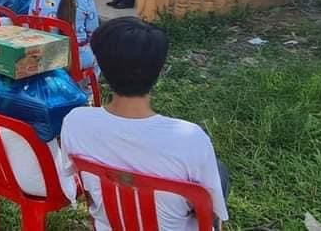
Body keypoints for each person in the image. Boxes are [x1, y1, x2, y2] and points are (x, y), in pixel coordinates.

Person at [60, 18, 229, 229]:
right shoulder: (191, 139)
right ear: (159, 70)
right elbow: (211, 210)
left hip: (109, 225)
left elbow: (74, 178)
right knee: (219, 171)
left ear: (99, 64)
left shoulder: (75, 122)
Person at [29, 0, 99, 75]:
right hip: (78, 58)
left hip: (45, 55)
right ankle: (86, 86)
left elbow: (31, 21)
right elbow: (93, 32)